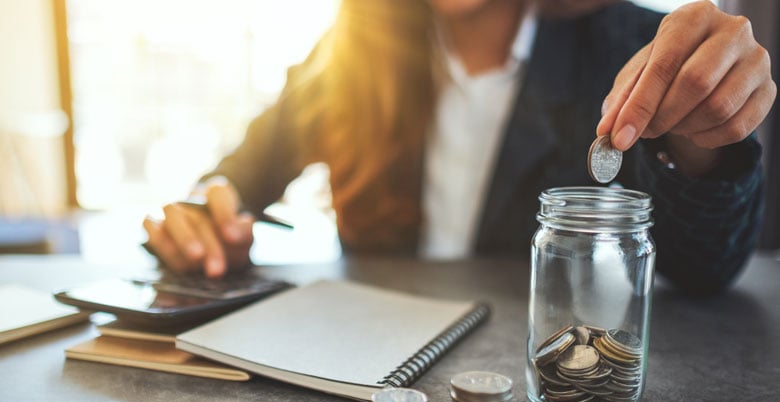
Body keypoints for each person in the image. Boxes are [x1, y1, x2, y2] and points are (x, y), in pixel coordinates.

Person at [143, 0, 776, 294]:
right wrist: (205, 209)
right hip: (363, 375)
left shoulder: (637, 46)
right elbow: (238, 175)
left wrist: (700, 143)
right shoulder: (356, 43)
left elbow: (707, 271)